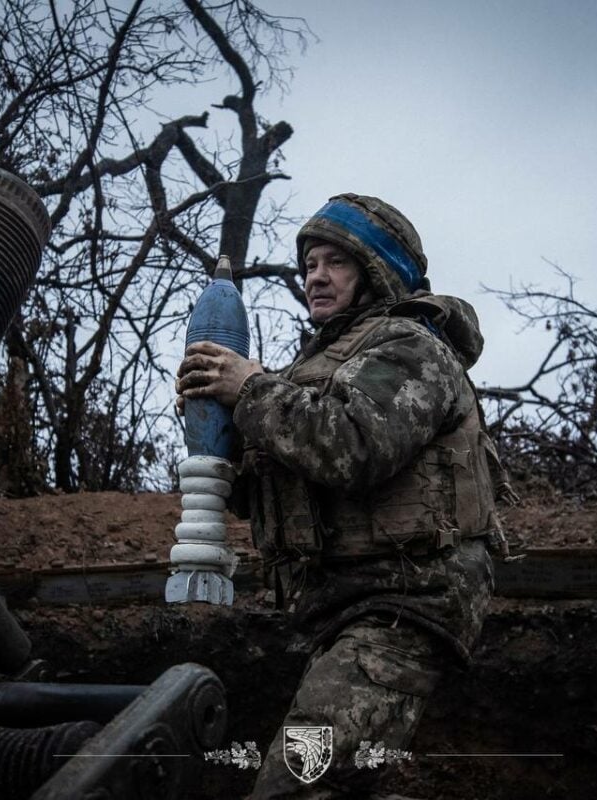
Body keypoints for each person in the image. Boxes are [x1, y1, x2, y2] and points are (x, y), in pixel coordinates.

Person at [176, 194, 512, 799]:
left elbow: (354, 445)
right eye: (309, 265)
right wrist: (218, 443)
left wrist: (250, 389)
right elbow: (280, 494)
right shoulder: (321, 364)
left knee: (296, 784)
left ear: (376, 271)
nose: (315, 277)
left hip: (404, 604)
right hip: (345, 609)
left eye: (335, 262)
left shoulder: (410, 348)